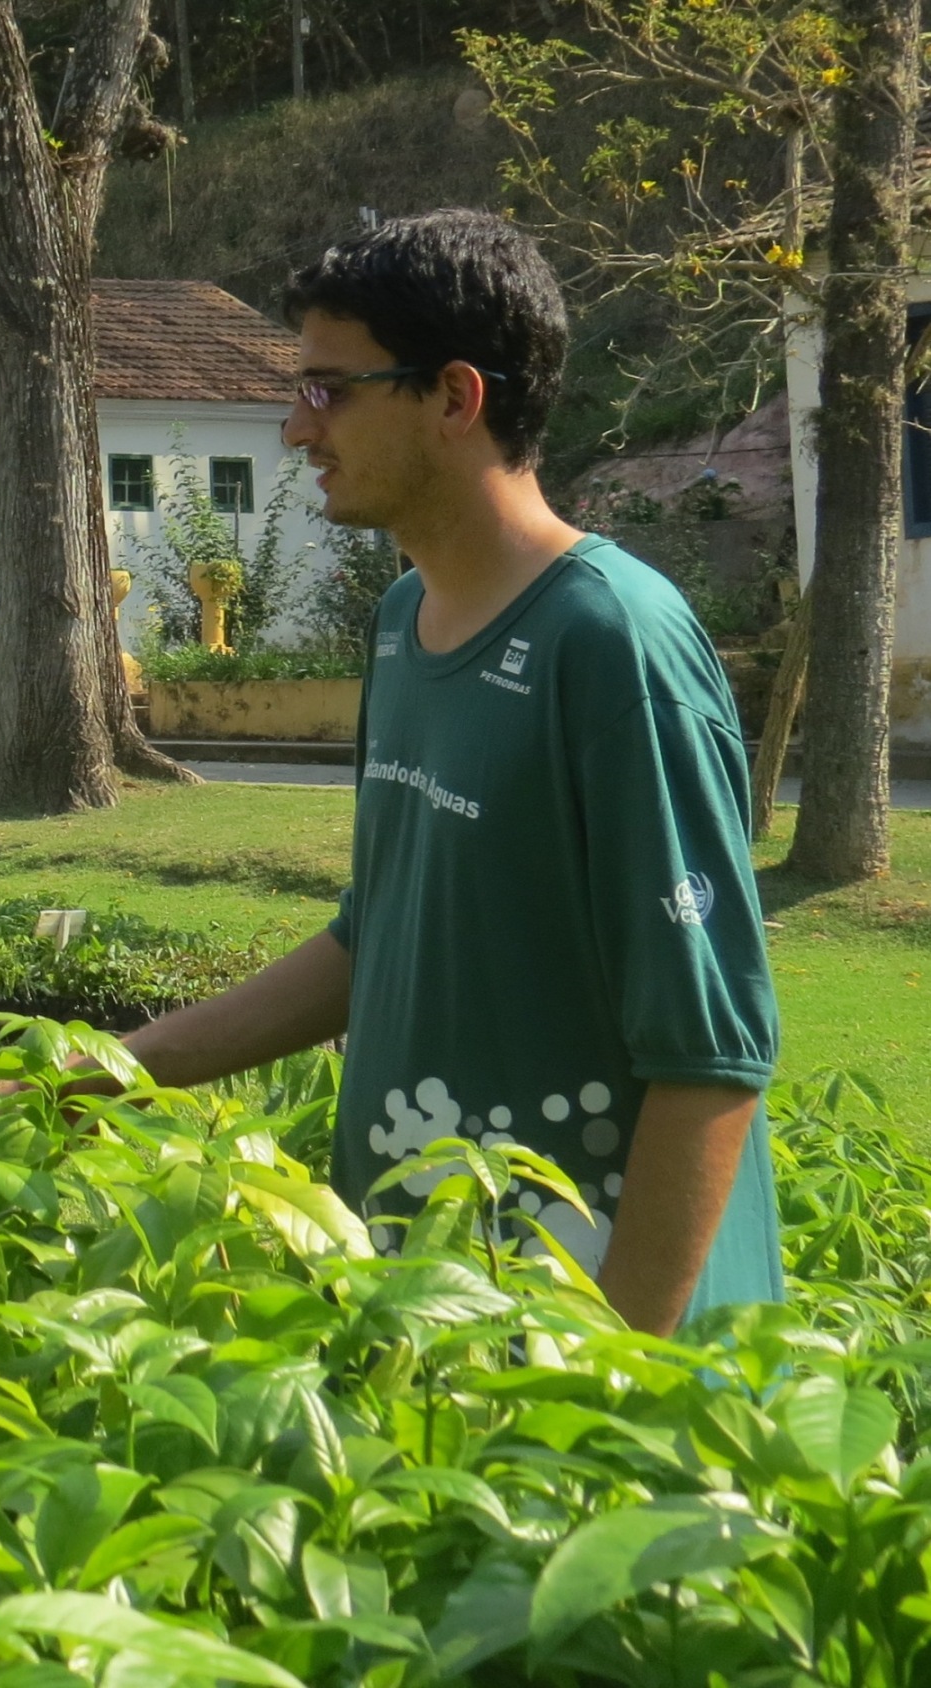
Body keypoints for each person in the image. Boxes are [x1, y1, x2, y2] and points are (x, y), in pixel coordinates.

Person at [102, 210, 778, 1336]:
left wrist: (612, 1381)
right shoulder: (403, 620)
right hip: (434, 1317)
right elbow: (379, 937)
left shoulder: (612, 644)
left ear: (456, 397)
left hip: (586, 1347)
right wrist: (118, 1069)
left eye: (329, 391)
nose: (293, 428)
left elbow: (712, 1056)